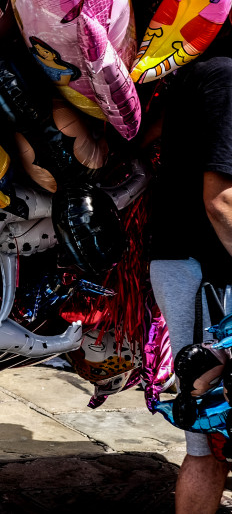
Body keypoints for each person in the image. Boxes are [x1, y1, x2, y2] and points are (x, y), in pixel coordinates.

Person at [148, 32, 232, 514]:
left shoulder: (199, 74)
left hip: (194, 264)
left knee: (210, 437)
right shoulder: (226, 79)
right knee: (207, 438)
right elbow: (221, 201)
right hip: (207, 271)